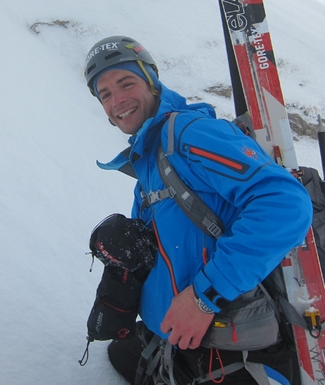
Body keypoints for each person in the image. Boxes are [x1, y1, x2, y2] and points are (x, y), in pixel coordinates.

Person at [84, 35, 313, 385]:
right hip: (177, 345)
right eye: (105, 94)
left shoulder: (191, 135)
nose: (118, 101)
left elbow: (286, 204)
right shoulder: (148, 159)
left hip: (230, 349)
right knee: (119, 353)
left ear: (152, 81)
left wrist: (205, 298)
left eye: (126, 83)